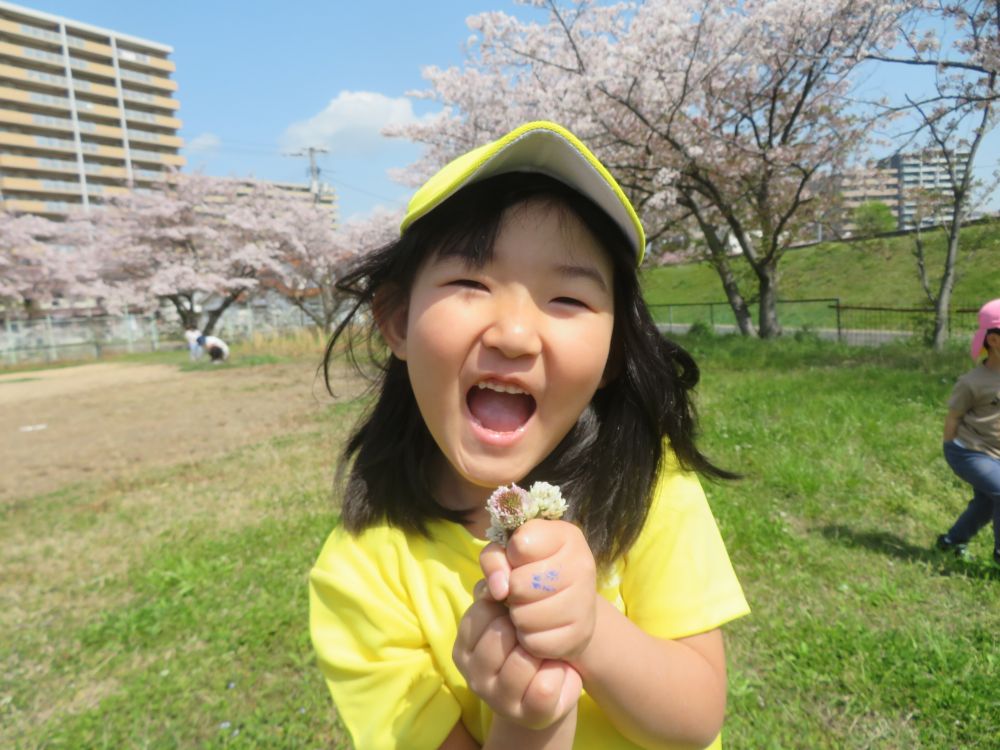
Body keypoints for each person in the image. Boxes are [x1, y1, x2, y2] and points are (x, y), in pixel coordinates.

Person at [309, 121, 750, 750]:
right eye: (470, 283)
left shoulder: (651, 489)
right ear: (398, 320)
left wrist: (591, 630)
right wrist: (528, 718)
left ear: (614, 354)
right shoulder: (360, 573)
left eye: (567, 298)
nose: (513, 334)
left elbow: (696, 719)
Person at [936, 298, 1000, 568]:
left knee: (986, 503)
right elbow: (953, 418)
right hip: (968, 451)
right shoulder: (972, 382)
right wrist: (952, 449)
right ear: (994, 341)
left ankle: (952, 542)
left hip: (995, 453)